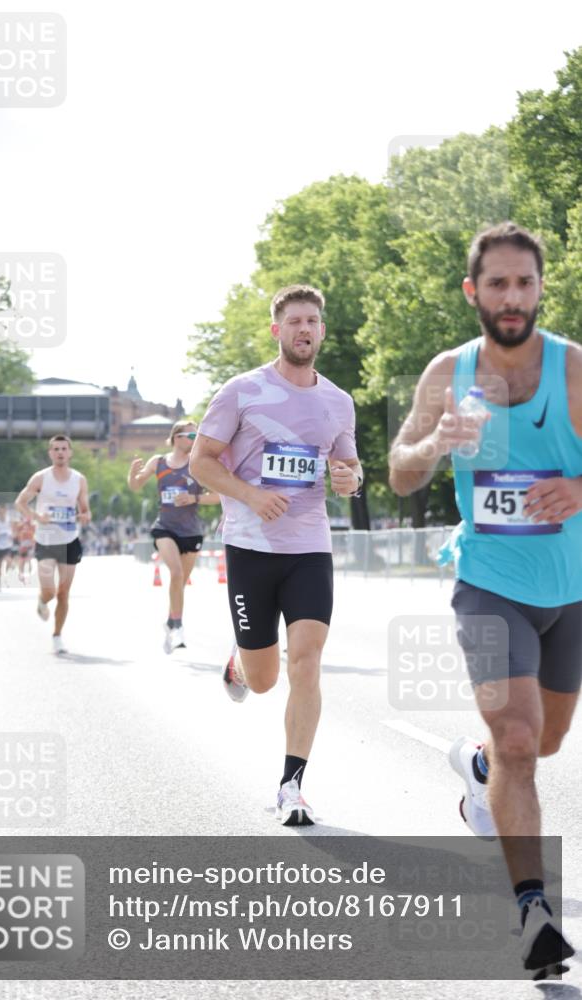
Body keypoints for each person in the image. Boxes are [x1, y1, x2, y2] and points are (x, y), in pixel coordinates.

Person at [388, 222, 581, 976]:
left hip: (571, 590)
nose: (511, 297)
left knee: (545, 741)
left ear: (539, 289)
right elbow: (401, 472)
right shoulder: (448, 372)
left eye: (523, 283)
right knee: (517, 740)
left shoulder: (572, 373)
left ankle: (475, 771)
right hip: (488, 584)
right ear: (473, 291)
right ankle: (532, 913)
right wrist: (434, 441)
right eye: (496, 284)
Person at [190, 285, 362, 826]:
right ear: (277, 330)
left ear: (322, 331)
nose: (304, 329)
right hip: (250, 547)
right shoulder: (242, 391)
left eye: (312, 320)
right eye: (294, 321)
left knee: (306, 661)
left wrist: (349, 479)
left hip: (310, 546)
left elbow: (351, 471)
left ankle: (292, 785)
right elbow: (201, 462)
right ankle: (241, 663)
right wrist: (251, 495)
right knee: (265, 679)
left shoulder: (339, 402)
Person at [127, 420, 220, 653]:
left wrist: (194, 498)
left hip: (191, 531)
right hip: (165, 527)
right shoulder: (158, 462)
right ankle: (178, 625)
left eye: (197, 434)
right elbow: (136, 486)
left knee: (179, 582)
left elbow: (218, 496)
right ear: (176, 437)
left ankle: (171, 620)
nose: (195, 438)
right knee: (176, 572)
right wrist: (132, 474)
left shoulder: (198, 464)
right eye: (191, 435)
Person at [15, 435, 91, 654]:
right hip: (46, 540)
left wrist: (85, 515)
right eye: (56, 449)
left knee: (64, 592)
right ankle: (42, 600)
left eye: (64, 449)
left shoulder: (79, 479)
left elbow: (85, 509)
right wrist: (36, 516)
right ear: (50, 453)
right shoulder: (41, 478)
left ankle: (57, 636)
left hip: (69, 540)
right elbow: (20, 503)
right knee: (49, 590)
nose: (60, 452)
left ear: (70, 452)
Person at [0, 503, 15, 590]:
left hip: (7, 545)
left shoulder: (10, 520)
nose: (1, 513)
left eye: (3, 511)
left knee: (8, 560)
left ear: (6, 511)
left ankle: (6, 574)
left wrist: (12, 536)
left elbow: (14, 532)